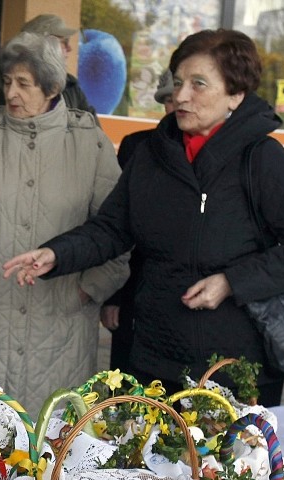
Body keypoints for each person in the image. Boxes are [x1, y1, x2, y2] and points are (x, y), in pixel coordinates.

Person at [3, 29, 284, 407]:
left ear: (235, 95)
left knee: (222, 466)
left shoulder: (262, 160)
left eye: (199, 84)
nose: (181, 95)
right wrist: (56, 254)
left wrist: (231, 282)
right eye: (178, 82)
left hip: (233, 367)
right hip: (154, 357)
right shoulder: (153, 154)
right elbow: (112, 228)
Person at [0, 32, 127, 414]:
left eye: (24, 84)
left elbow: (118, 227)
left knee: (51, 441)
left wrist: (91, 288)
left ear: (52, 87)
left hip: (62, 319)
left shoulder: (88, 142)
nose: (12, 94)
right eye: (7, 82)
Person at [101, 69, 174, 372]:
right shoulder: (138, 147)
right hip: (134, 292)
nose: (177, 104)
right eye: (168, 99)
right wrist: (113, 295)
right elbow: (116, 226)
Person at [21, 14, 95, 116]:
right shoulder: (13, 85)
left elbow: (93, 129)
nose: (69, 48)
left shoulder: (71, 86)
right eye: (64, 42)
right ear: (41, 45)